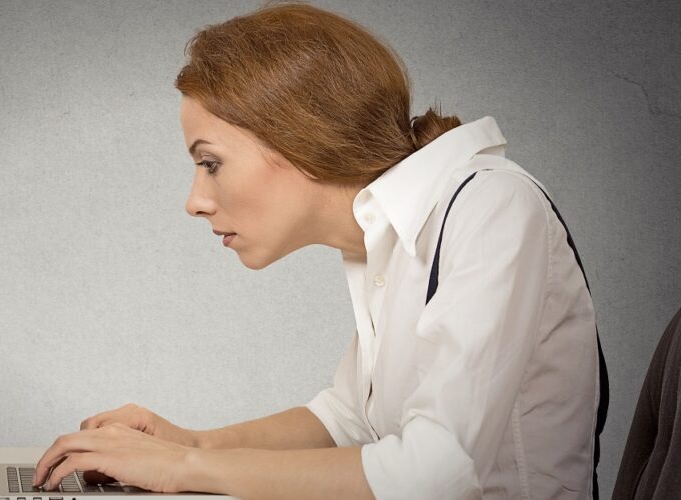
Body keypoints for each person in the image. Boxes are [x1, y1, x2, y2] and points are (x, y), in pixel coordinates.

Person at [32, 3, 605, 498]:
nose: (195, 202)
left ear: (299, 136)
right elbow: (347, 420)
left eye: (211, 163)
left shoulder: (492, 207)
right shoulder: (379, 239)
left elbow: (436, 473)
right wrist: (190, 444)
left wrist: (182, 469)